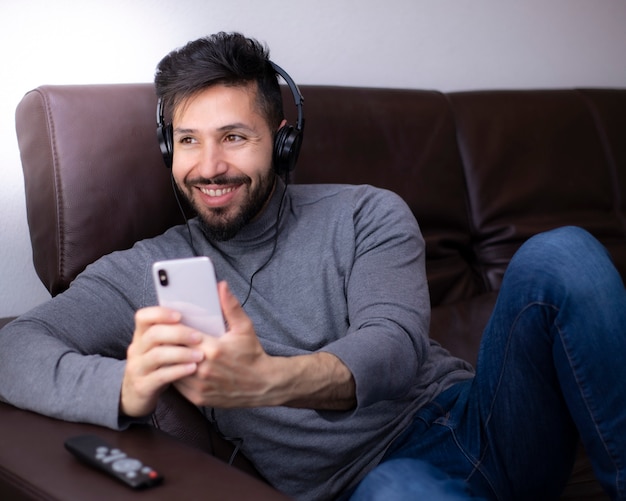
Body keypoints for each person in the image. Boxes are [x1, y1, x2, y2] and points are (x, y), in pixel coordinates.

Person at [1, 32, 625, 501]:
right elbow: (12, 347)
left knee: (562, 252)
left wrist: (267, 381)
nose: (209, 165)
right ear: (168, 148)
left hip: (483, 421)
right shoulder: (151, 267)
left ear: (282, 138)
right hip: (369, 484)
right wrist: (125, 391)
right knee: (401, 491)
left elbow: (394, 348)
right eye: (188, 139)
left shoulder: (366, 213)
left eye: (235, 137)